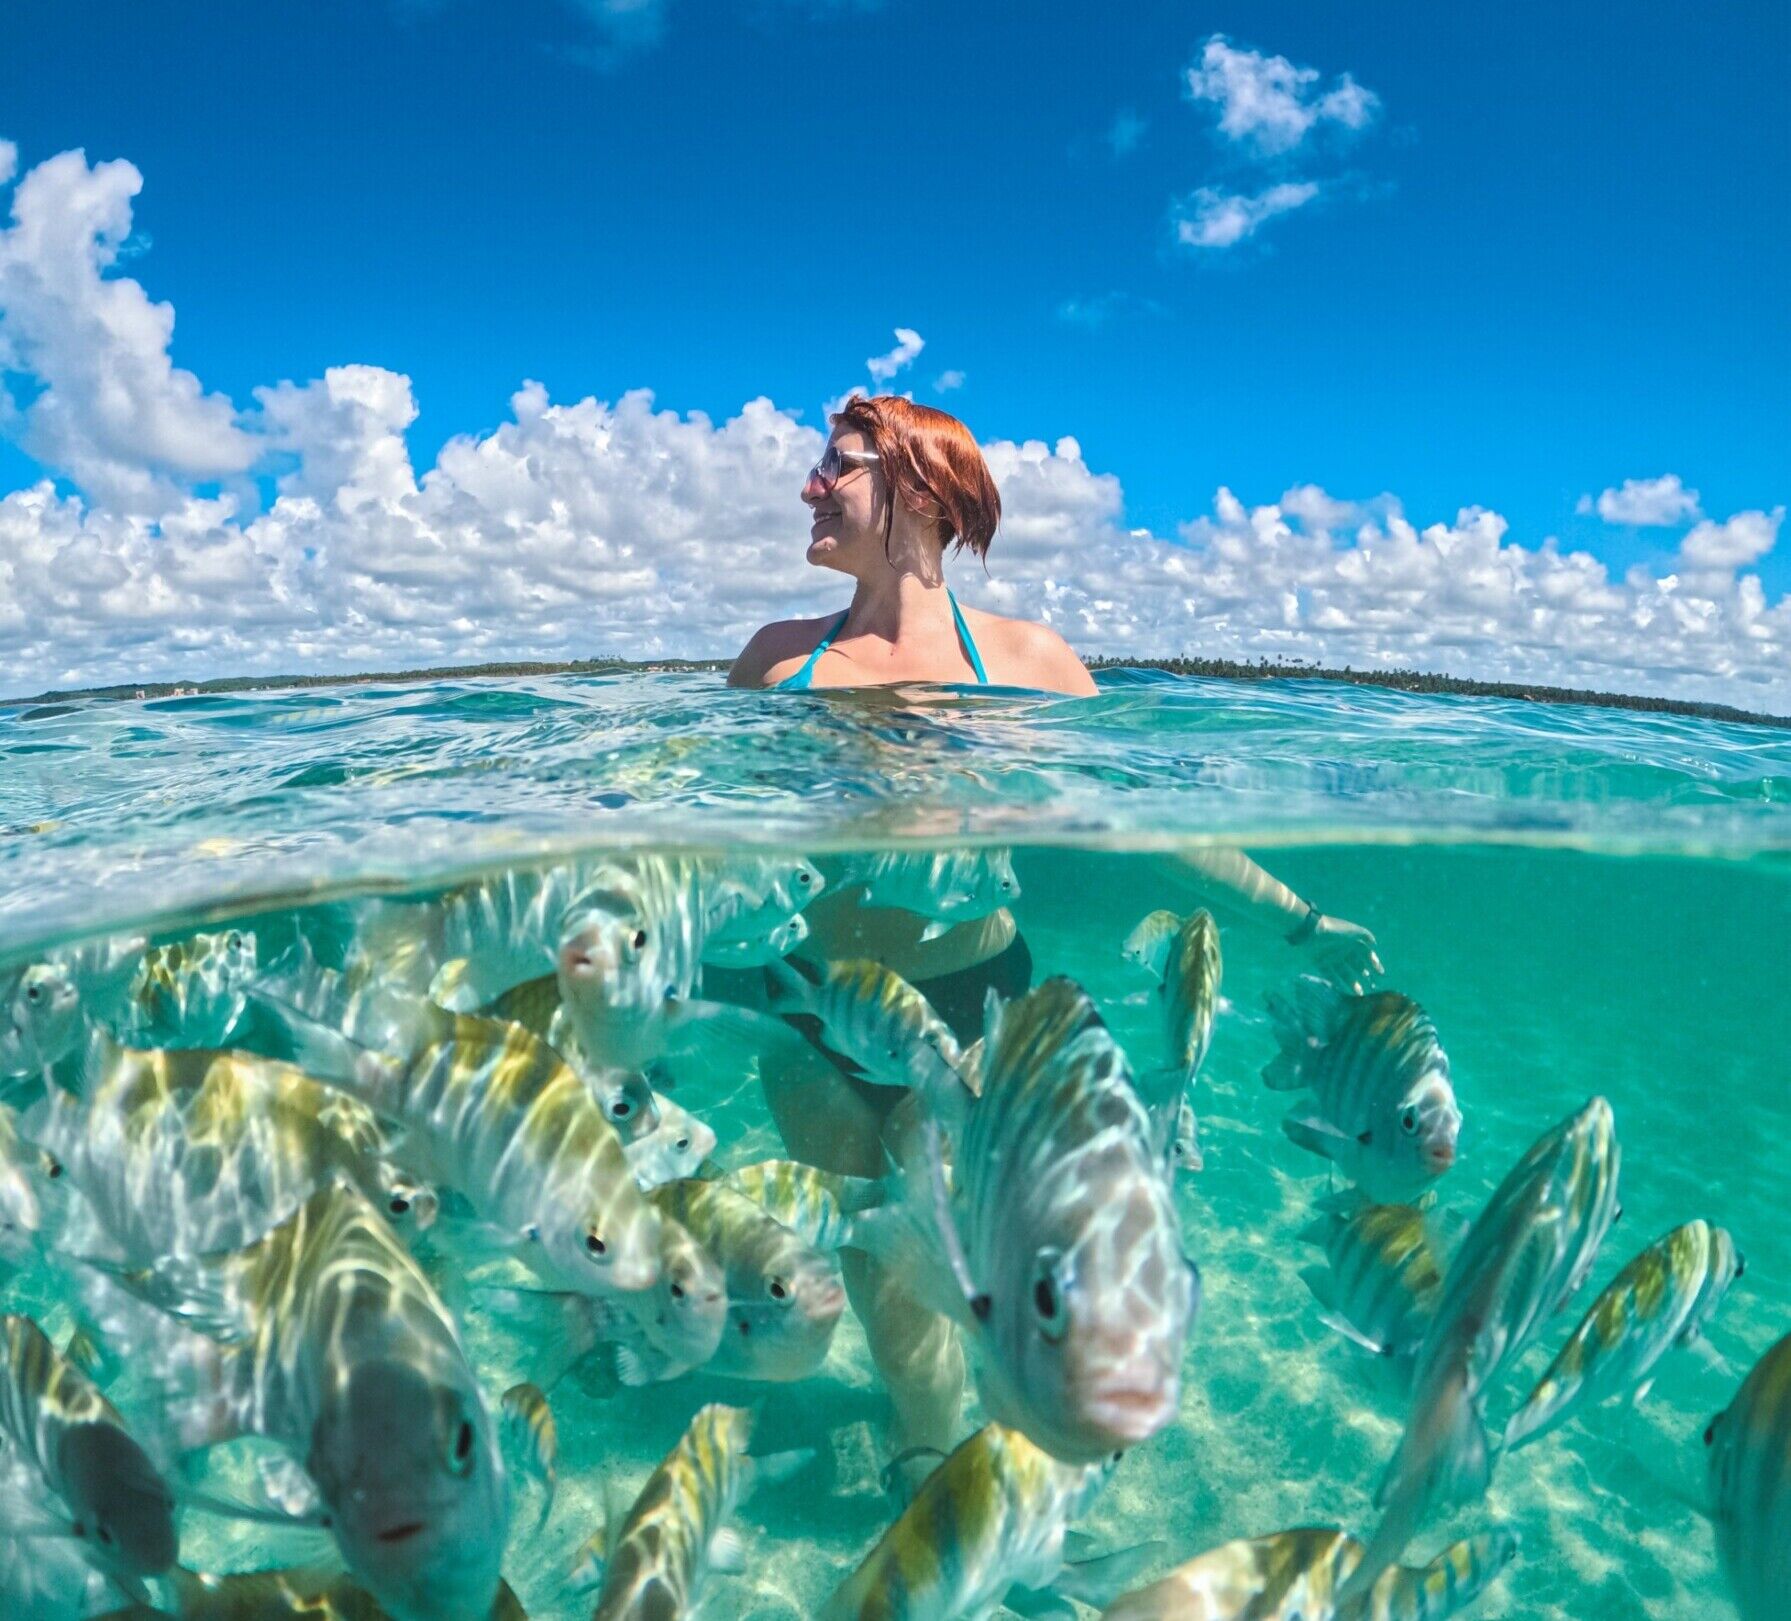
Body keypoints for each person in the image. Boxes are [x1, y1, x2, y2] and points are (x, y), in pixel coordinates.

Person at [727, 395, 1098, 696]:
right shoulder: (774, 655)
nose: (810, 491)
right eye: (817, 470)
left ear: (919, 490)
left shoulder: (1034, 660)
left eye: (835, 465)